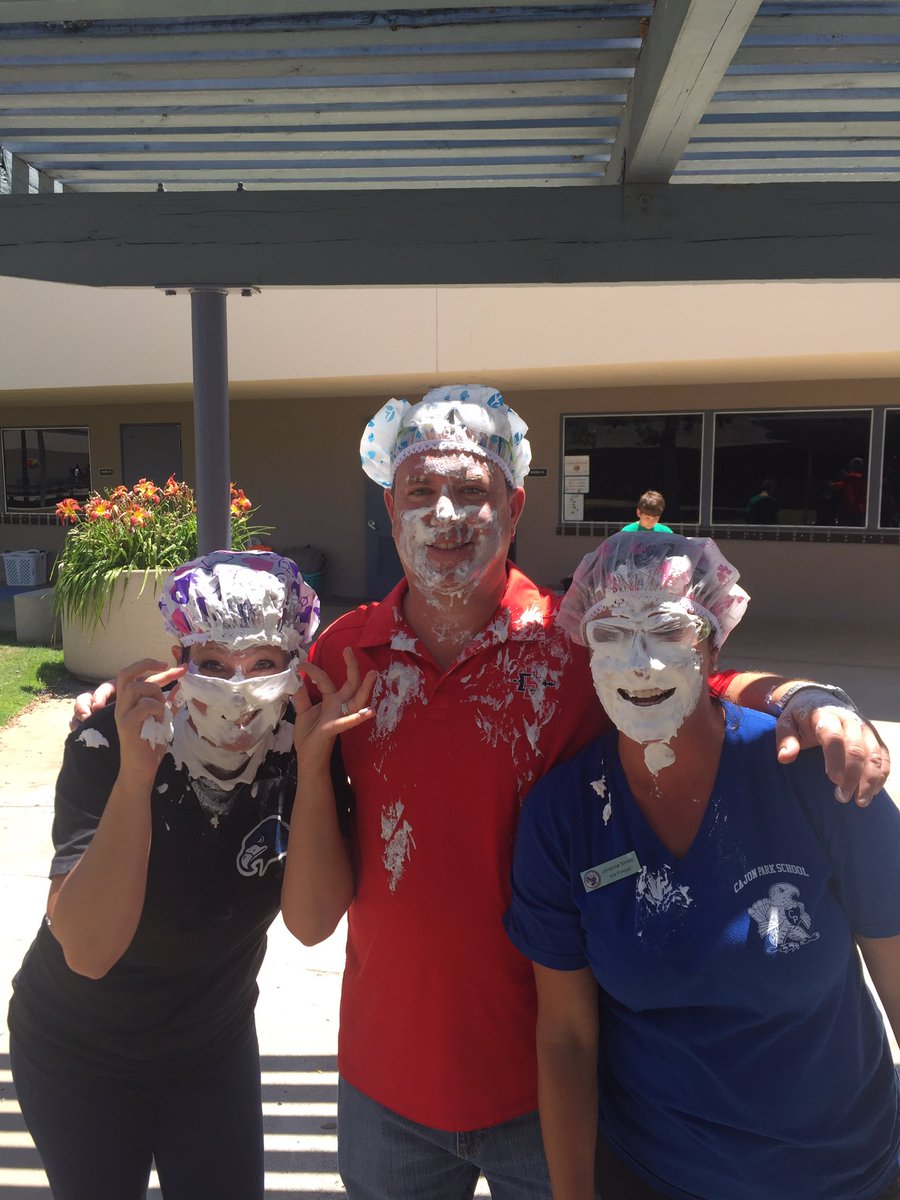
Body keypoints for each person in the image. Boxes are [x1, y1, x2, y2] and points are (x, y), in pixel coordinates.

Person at [72, 386, 890, 1200]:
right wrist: (123, 699)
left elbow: (690, 680)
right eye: (421, 492)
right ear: (388, 508)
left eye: (472, 491)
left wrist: (799, 698)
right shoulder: (345, 654)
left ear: (516, 504)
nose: (445, 514)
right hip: (385, 1084)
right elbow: (241, 695)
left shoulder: (571, 639)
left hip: (549, 1080)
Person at [505, 532, 900, 1200]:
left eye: (665, 629)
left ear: (712, 642)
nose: (639, 662)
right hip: (655, 1175)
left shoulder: (816, 778)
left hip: (844, 1173)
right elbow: (567, 1036)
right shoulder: (563, 816)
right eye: (610, 633)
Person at [8, 550, 319, 1200]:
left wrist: (317, 771)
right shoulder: (113, 737)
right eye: (212, 664)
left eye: (264, 664)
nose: (238, 690)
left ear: (296, 663)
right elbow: (88, 951)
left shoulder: (303, 745)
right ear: (179, 659)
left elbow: (314, 921)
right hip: (78, 1051)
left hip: (211, 1043)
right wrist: (134, 776)